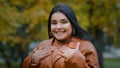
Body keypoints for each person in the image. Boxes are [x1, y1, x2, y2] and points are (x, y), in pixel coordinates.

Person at [23, 3, 100, 68]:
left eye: (64, 22)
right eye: (54, 23)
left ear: (72, 24)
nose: (58, 27)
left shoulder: (85, 47)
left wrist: (76, 59)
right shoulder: (43, 46)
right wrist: (32, 61)